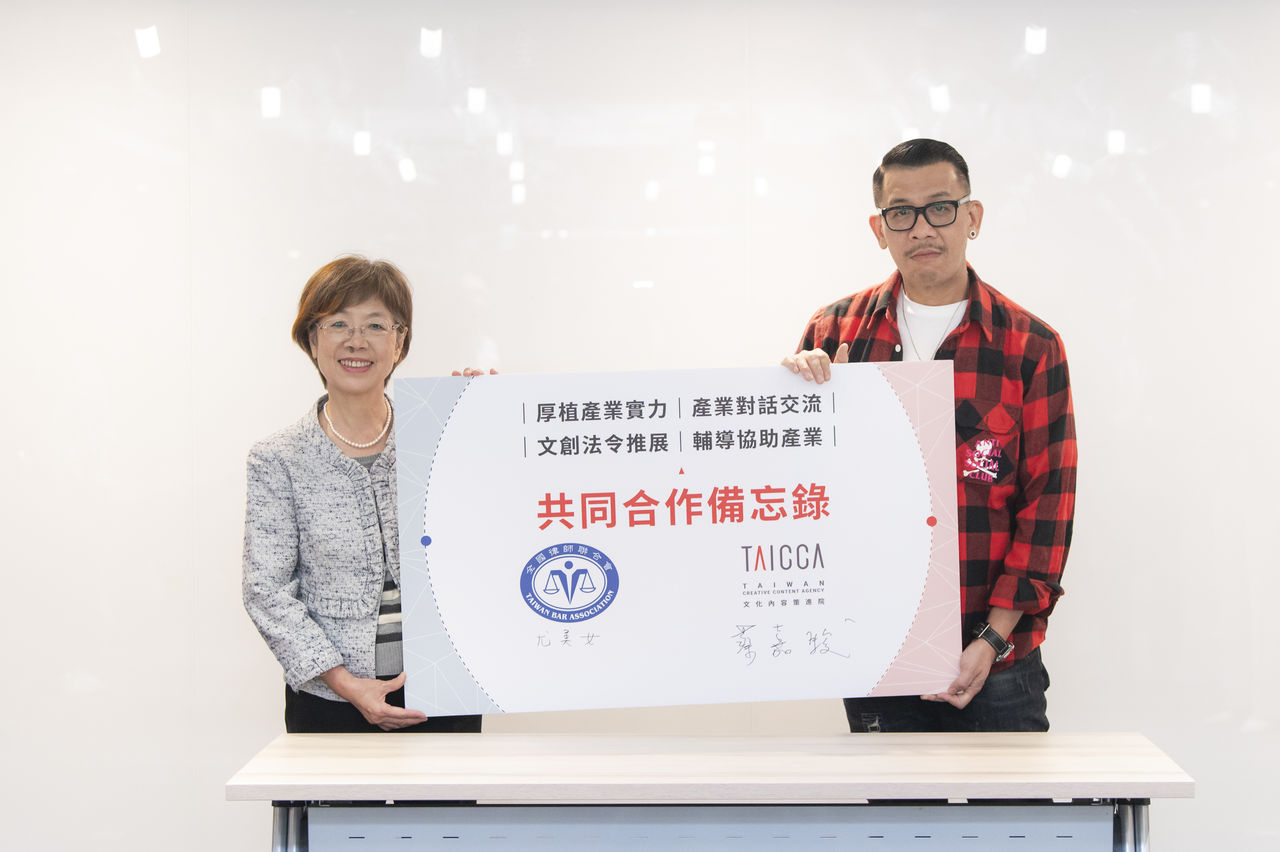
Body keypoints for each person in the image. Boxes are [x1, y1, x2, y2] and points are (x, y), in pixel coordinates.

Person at [782, 139, 1077, 733]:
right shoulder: (834, 333)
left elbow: (1048, 506)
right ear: (879, 228)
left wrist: (991, 638)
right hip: (877, 647)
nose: (921, 228)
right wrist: (792, 403)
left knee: (1012, 801)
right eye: (901, 212)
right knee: (892, 801)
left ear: (972, 217)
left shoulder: (1029, 345)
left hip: (996, 659)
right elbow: (803, 490)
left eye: (940, 207)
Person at [242, 255, 485, 733]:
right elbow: (265, 590)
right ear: (312, 341)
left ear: (400, 342)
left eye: (376, 324)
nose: (356, 341)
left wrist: (486, 417)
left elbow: (492, 534)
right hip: (330, 702)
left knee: (449, 788)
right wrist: (346, 683)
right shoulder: (278, 458)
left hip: (445, 687)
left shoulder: (440, 436)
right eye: (338, 323)